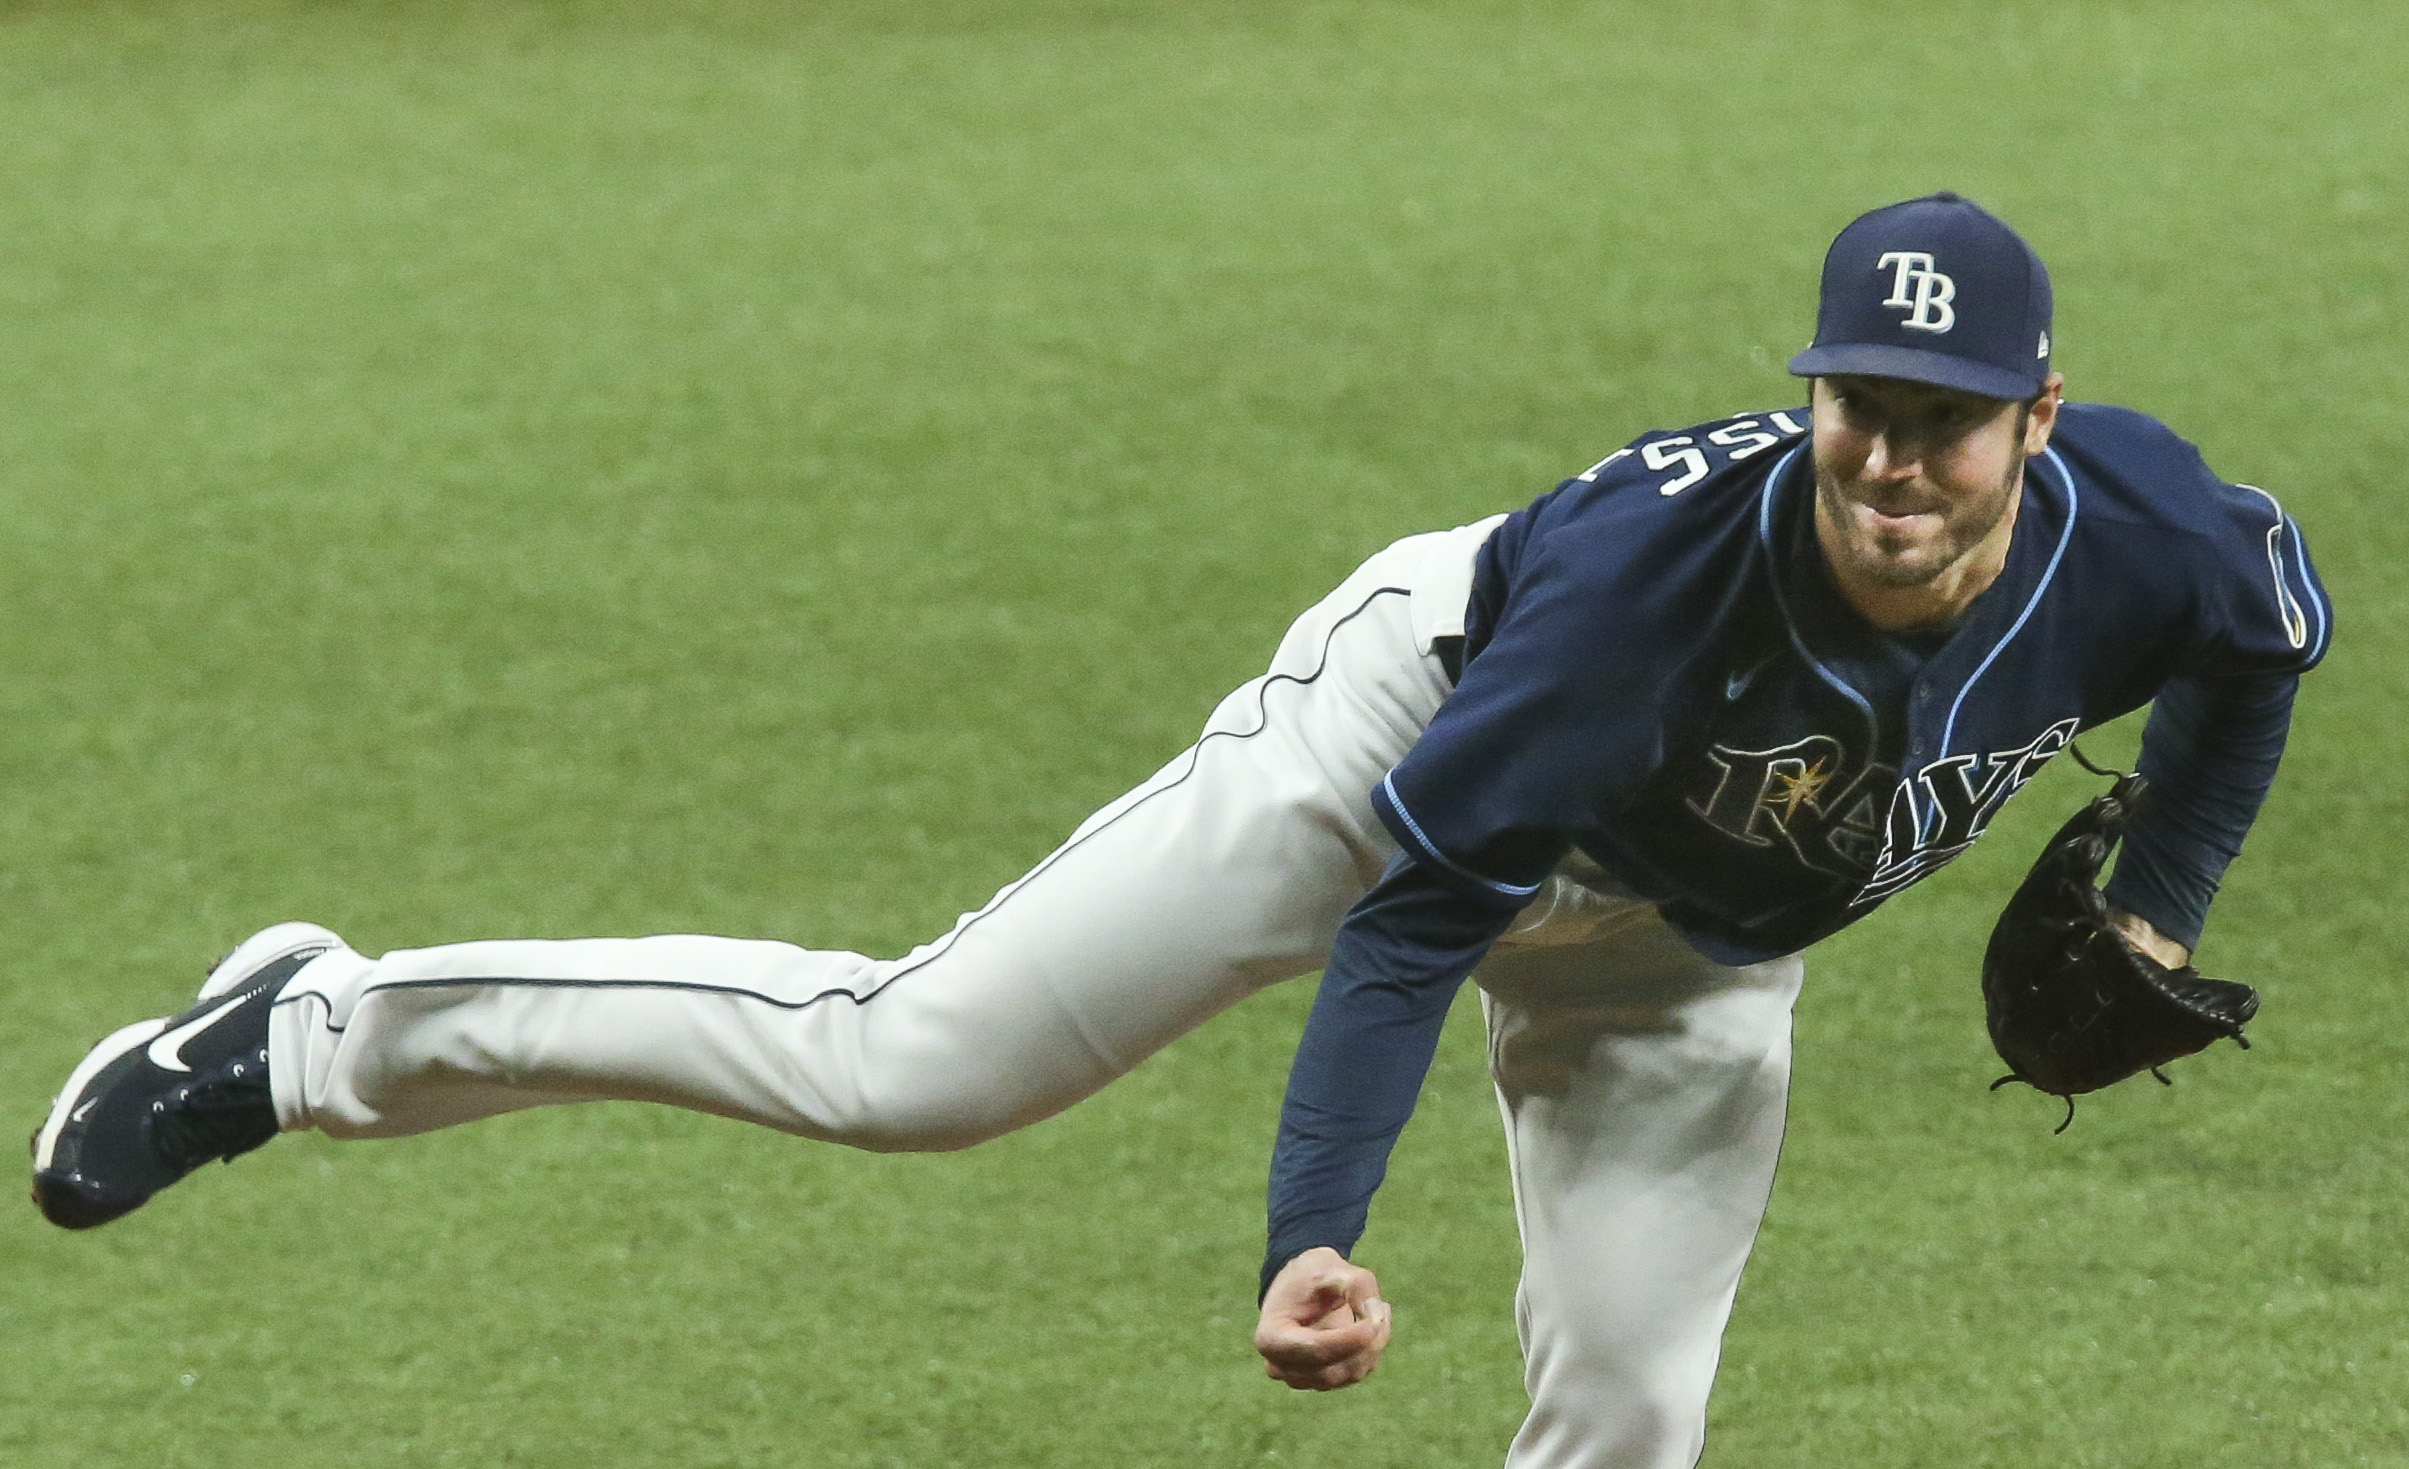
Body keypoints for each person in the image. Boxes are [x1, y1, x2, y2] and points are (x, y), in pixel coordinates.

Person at [32, 194, 2329, 1469]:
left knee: (1629, 1421)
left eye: (1944, 421)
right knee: (908, 1066)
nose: (1891, 466)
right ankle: (308, 1031)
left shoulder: (2136, 533)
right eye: (1859, 408)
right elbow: (1419, 921)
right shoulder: (1648, 591)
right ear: (1808, 390)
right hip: (1402, 765)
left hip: (1689, 953)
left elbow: (2265, 637)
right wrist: (1297, 1241)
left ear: (2032, 414)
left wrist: (2155, 899)